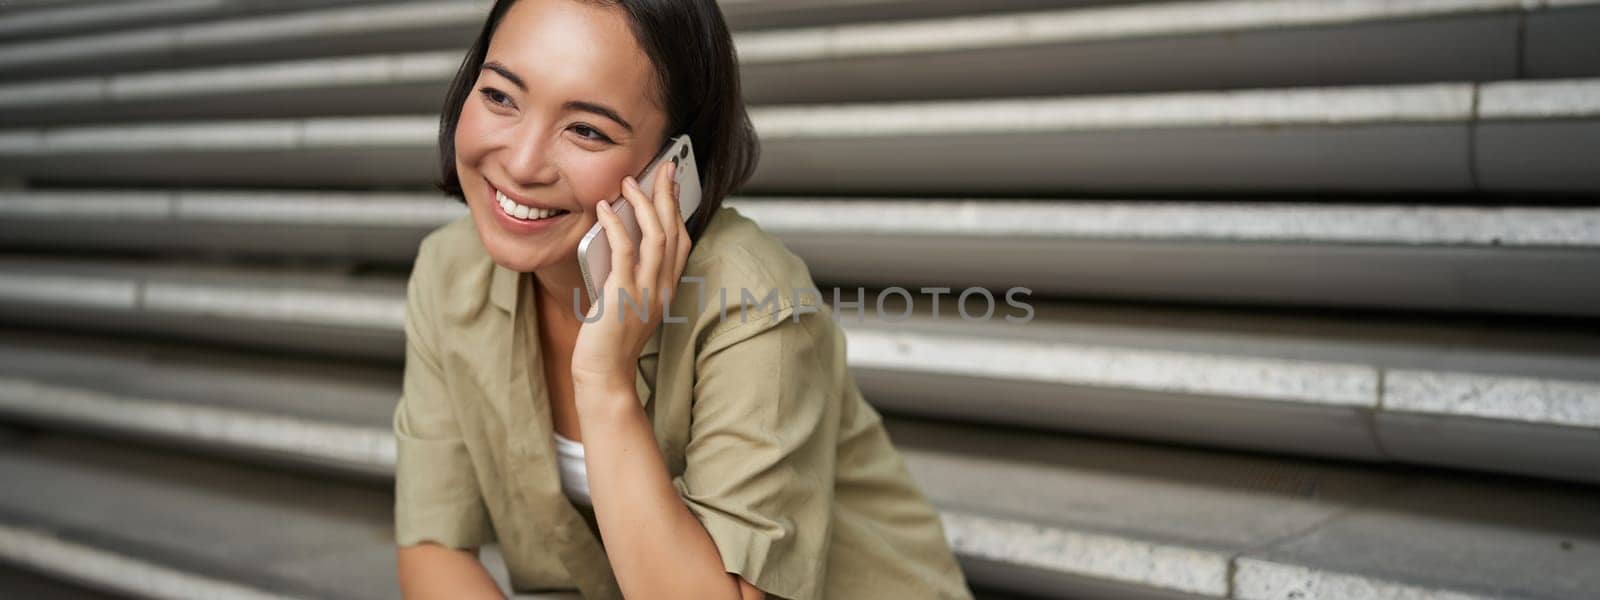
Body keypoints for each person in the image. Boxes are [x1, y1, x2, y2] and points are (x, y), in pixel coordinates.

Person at [392, 1, 972, 598]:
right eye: (500, 97)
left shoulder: (752, 300)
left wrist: (605, 380)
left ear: (672, 165)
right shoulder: (450, 270)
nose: (521, 161)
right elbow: (433, 547)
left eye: (587, 130)